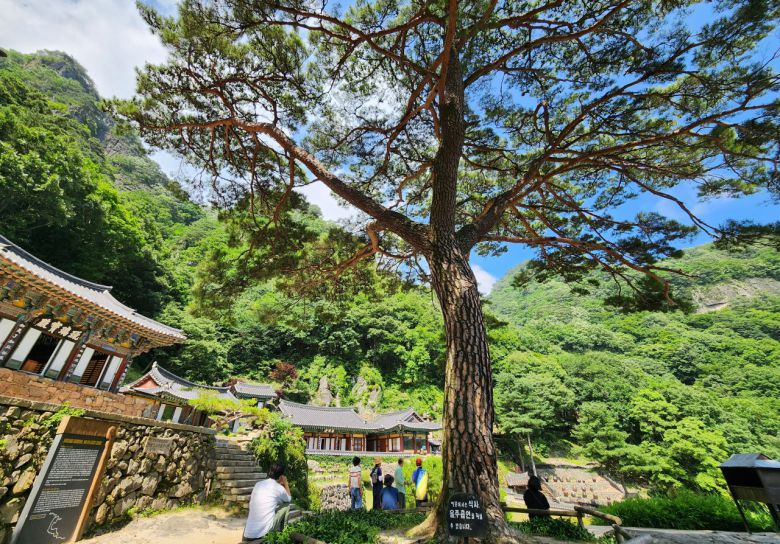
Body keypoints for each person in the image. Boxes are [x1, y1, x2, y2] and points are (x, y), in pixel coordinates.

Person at [243, 462, 296, 543]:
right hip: (263, 533)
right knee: (287, 505)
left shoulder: (258, 484)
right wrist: (286, 484)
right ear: (281, 476)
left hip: (247, 533)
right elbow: (289, 499)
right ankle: (282, 533)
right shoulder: (278, 488)